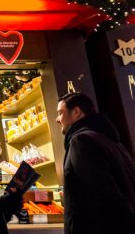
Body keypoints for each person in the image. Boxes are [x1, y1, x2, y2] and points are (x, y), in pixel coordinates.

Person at [57, 92, 135, 234]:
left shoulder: (81, 141)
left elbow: (101, 192)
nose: (57, 119)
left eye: (60, 113)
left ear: (76, 112)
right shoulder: (112, 142)